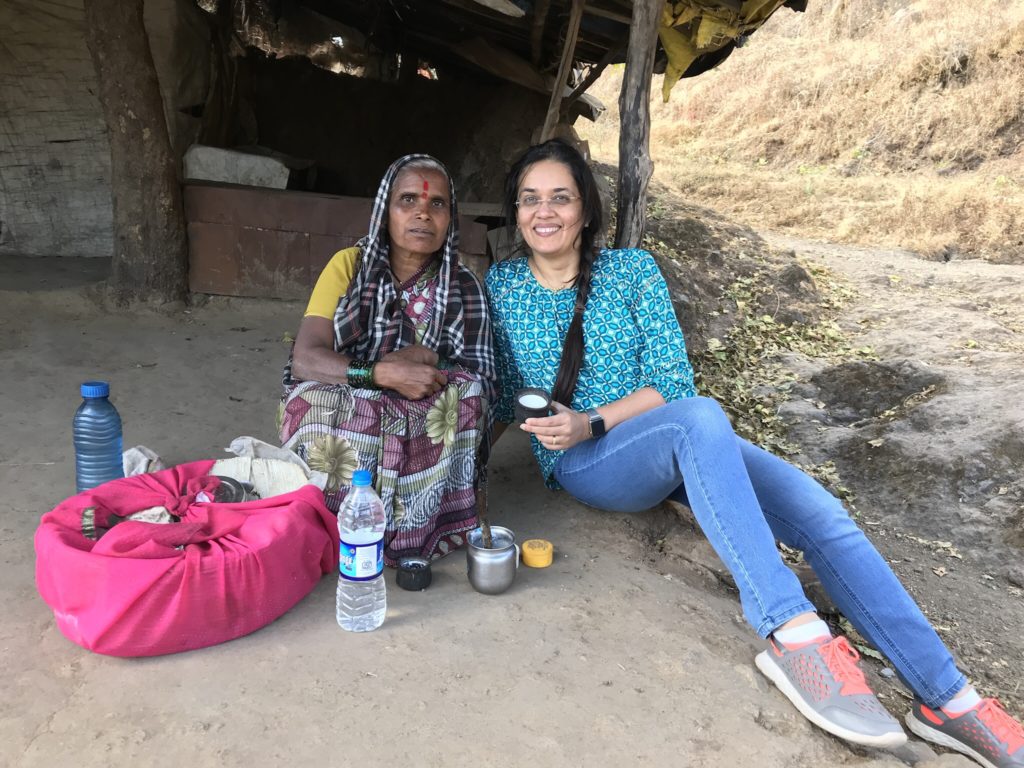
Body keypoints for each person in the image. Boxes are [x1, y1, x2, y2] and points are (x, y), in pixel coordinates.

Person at [485, 139, 1023, 767]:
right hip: (588, 466)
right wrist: (463, 481)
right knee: (699, 421)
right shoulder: (502, 286)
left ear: (586, 210)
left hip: (664, 436)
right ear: (515, 212)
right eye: (530, 199)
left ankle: (948, 701)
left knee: (823, 517)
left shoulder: (632, 271)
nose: (543, 212)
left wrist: (592, 420)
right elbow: (494, 392)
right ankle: (795, 636)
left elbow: (672, 385)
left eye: (560, 197)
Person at [279, 154, 496, 565]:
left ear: (451, 217)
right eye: (407, 200)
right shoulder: (348, 266)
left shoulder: (464, 285)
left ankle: (418, 523)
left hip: (425, 406)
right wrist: (379, 373)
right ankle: (328, 520)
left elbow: (481, 380)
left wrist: (425, 360)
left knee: (465, 400)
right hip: (349, 400)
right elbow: (305, 360)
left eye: (436, 204)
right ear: (385, 211)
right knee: (306, 403)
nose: (422, 214)